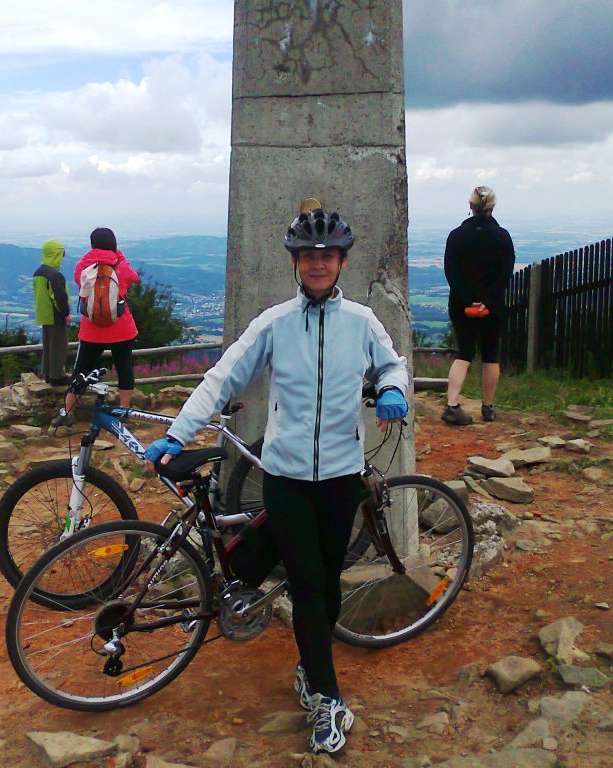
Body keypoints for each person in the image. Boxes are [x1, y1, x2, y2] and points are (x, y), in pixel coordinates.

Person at [144, 207, 409, 755]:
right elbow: (223, 377)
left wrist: (391, 389)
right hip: (285, 477)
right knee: (309, 584)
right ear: (296, 262)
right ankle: (328, 699)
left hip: (341, 475)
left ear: (341, 262)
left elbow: (392, 365)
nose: (318, 264)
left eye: (327, 256)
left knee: (328, 581)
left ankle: (311, 668)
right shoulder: (275, 323)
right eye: (308, 256)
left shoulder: (361, 322)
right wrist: (177, 433)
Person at [441, 186, 516, 425]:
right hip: (492, 306)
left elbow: (451, 272)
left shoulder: (456, 236)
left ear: (470, 206)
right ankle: (488, 407)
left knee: (464, 353)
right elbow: (505, 274)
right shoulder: (502, 237)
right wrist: (488, 301)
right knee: (490, 355)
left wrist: (467, 301)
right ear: (493, 207)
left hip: (461, 305)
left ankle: (452, 405)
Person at [56, 228, 140, 423]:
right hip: (121, 327)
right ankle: (123, 411)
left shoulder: (84, 265)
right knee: (124, 369)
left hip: (91, 329)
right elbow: (134, 278)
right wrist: (119, 255)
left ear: (92, 243)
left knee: (81, 371)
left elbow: (79, 281)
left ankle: (67, 412)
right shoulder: (120, 264)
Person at [32, 239, 72, 385]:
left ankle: (48, 373)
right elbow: (59, 297)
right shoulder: (55, 275)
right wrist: (66, 313)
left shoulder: (38, 272)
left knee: (48, 346)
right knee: (59, 346)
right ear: (55, 255)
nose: (61, 259)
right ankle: (58, 376)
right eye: (60, 255)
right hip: (55, 315)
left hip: (44, 315)